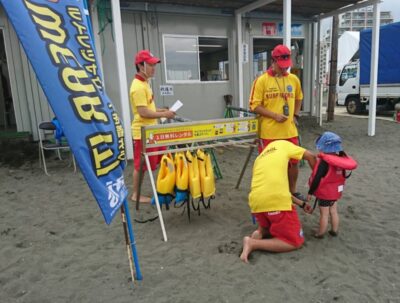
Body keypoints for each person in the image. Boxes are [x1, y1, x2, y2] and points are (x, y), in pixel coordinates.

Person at [240, 140, 316, 263]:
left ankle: (258, 233)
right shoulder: (285, 145)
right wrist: (316, 183)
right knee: (294, 242)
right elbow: (311, 157)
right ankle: (253, 243)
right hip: (275, 202)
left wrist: (302, 204)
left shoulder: (261, 157)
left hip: (256, 203)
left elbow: (279, 190)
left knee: (266, 228)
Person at [249, 44, 304, 200]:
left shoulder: (294, 79)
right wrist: (274, 115)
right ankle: (271, 193)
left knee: (294, 163)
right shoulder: (261, 80)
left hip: (290, 131)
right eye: (281, 67)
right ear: (273, 61)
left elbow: (299, 97)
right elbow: (254, 105)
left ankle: (292, 191)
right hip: (269, 133)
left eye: (287, 66)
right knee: (269, 165)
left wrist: (296, 115)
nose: (284, 70)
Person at [130, 50, 176, 203]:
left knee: (163, 158)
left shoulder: (145, 83)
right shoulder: (138, 86)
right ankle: (136, 194)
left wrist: (161, 110)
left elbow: (147, 107)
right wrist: (164, 115)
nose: (153, 68)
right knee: (140, 165)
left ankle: (168, 188)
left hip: (152, 130)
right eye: (150, 65)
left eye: (154, 65)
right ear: (141, 66)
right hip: (142, 132)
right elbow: (143, 112)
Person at [307, 132, 358, 238]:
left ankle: (320, 233)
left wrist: (310, 192)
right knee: (334, 211)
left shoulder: (324, 162)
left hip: (325, 193)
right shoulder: (340, 159)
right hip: (336, 191)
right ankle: (334, 230)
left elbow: (317, 178)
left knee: (324, 214)